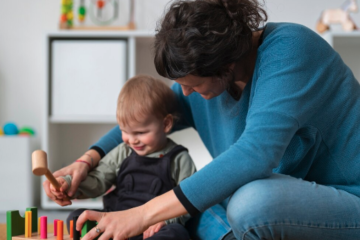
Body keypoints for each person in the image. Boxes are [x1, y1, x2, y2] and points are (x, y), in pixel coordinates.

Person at [43, 0, 360, 239]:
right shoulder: (210, 80)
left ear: (225, 63)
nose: (185, 93)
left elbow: (255, 155)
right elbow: (150, 115)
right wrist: (87, 159)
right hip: (282, 197)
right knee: (196, 196)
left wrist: (141, 215)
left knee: (250, 202)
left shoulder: (291, 49)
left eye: (192, 85)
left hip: (349, 198)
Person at [49, 75, 196, 240]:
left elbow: (188, 201)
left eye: (140, 132)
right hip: (115, 221)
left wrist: (167, 221)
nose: (132, 140)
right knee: (78, 218)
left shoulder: (179, 158)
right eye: (125, 131)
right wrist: (69, 183)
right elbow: (98, 180)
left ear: (166, 124)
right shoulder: (123, 151)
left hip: (152, 230)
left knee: (176, 233)